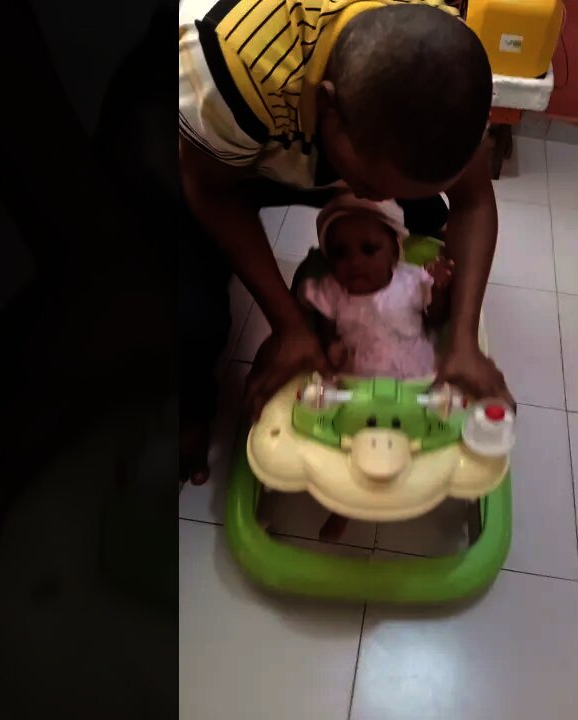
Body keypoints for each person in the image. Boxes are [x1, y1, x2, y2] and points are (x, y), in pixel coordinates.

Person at [175, 0, 512, 485]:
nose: (381, 201)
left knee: (426, 220)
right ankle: (187, 411)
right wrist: (289, 325)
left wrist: (461, 338)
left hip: (323, 137)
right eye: (374, 186)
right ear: (329, 107)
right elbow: (209, 188)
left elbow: (474, 202)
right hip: (225, 151)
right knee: (193, 322)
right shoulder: (235, 68)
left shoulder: (451, 70)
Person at [300, 194, 454, 379]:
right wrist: (330, 346)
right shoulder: (332, 289)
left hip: (413, 371)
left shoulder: (410, 280)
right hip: (356, 378)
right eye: (340, 253)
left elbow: (435, 319)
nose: (354, 262)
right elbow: (325, 328)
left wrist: (439, 288)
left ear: (394, 253)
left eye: (369, 249)